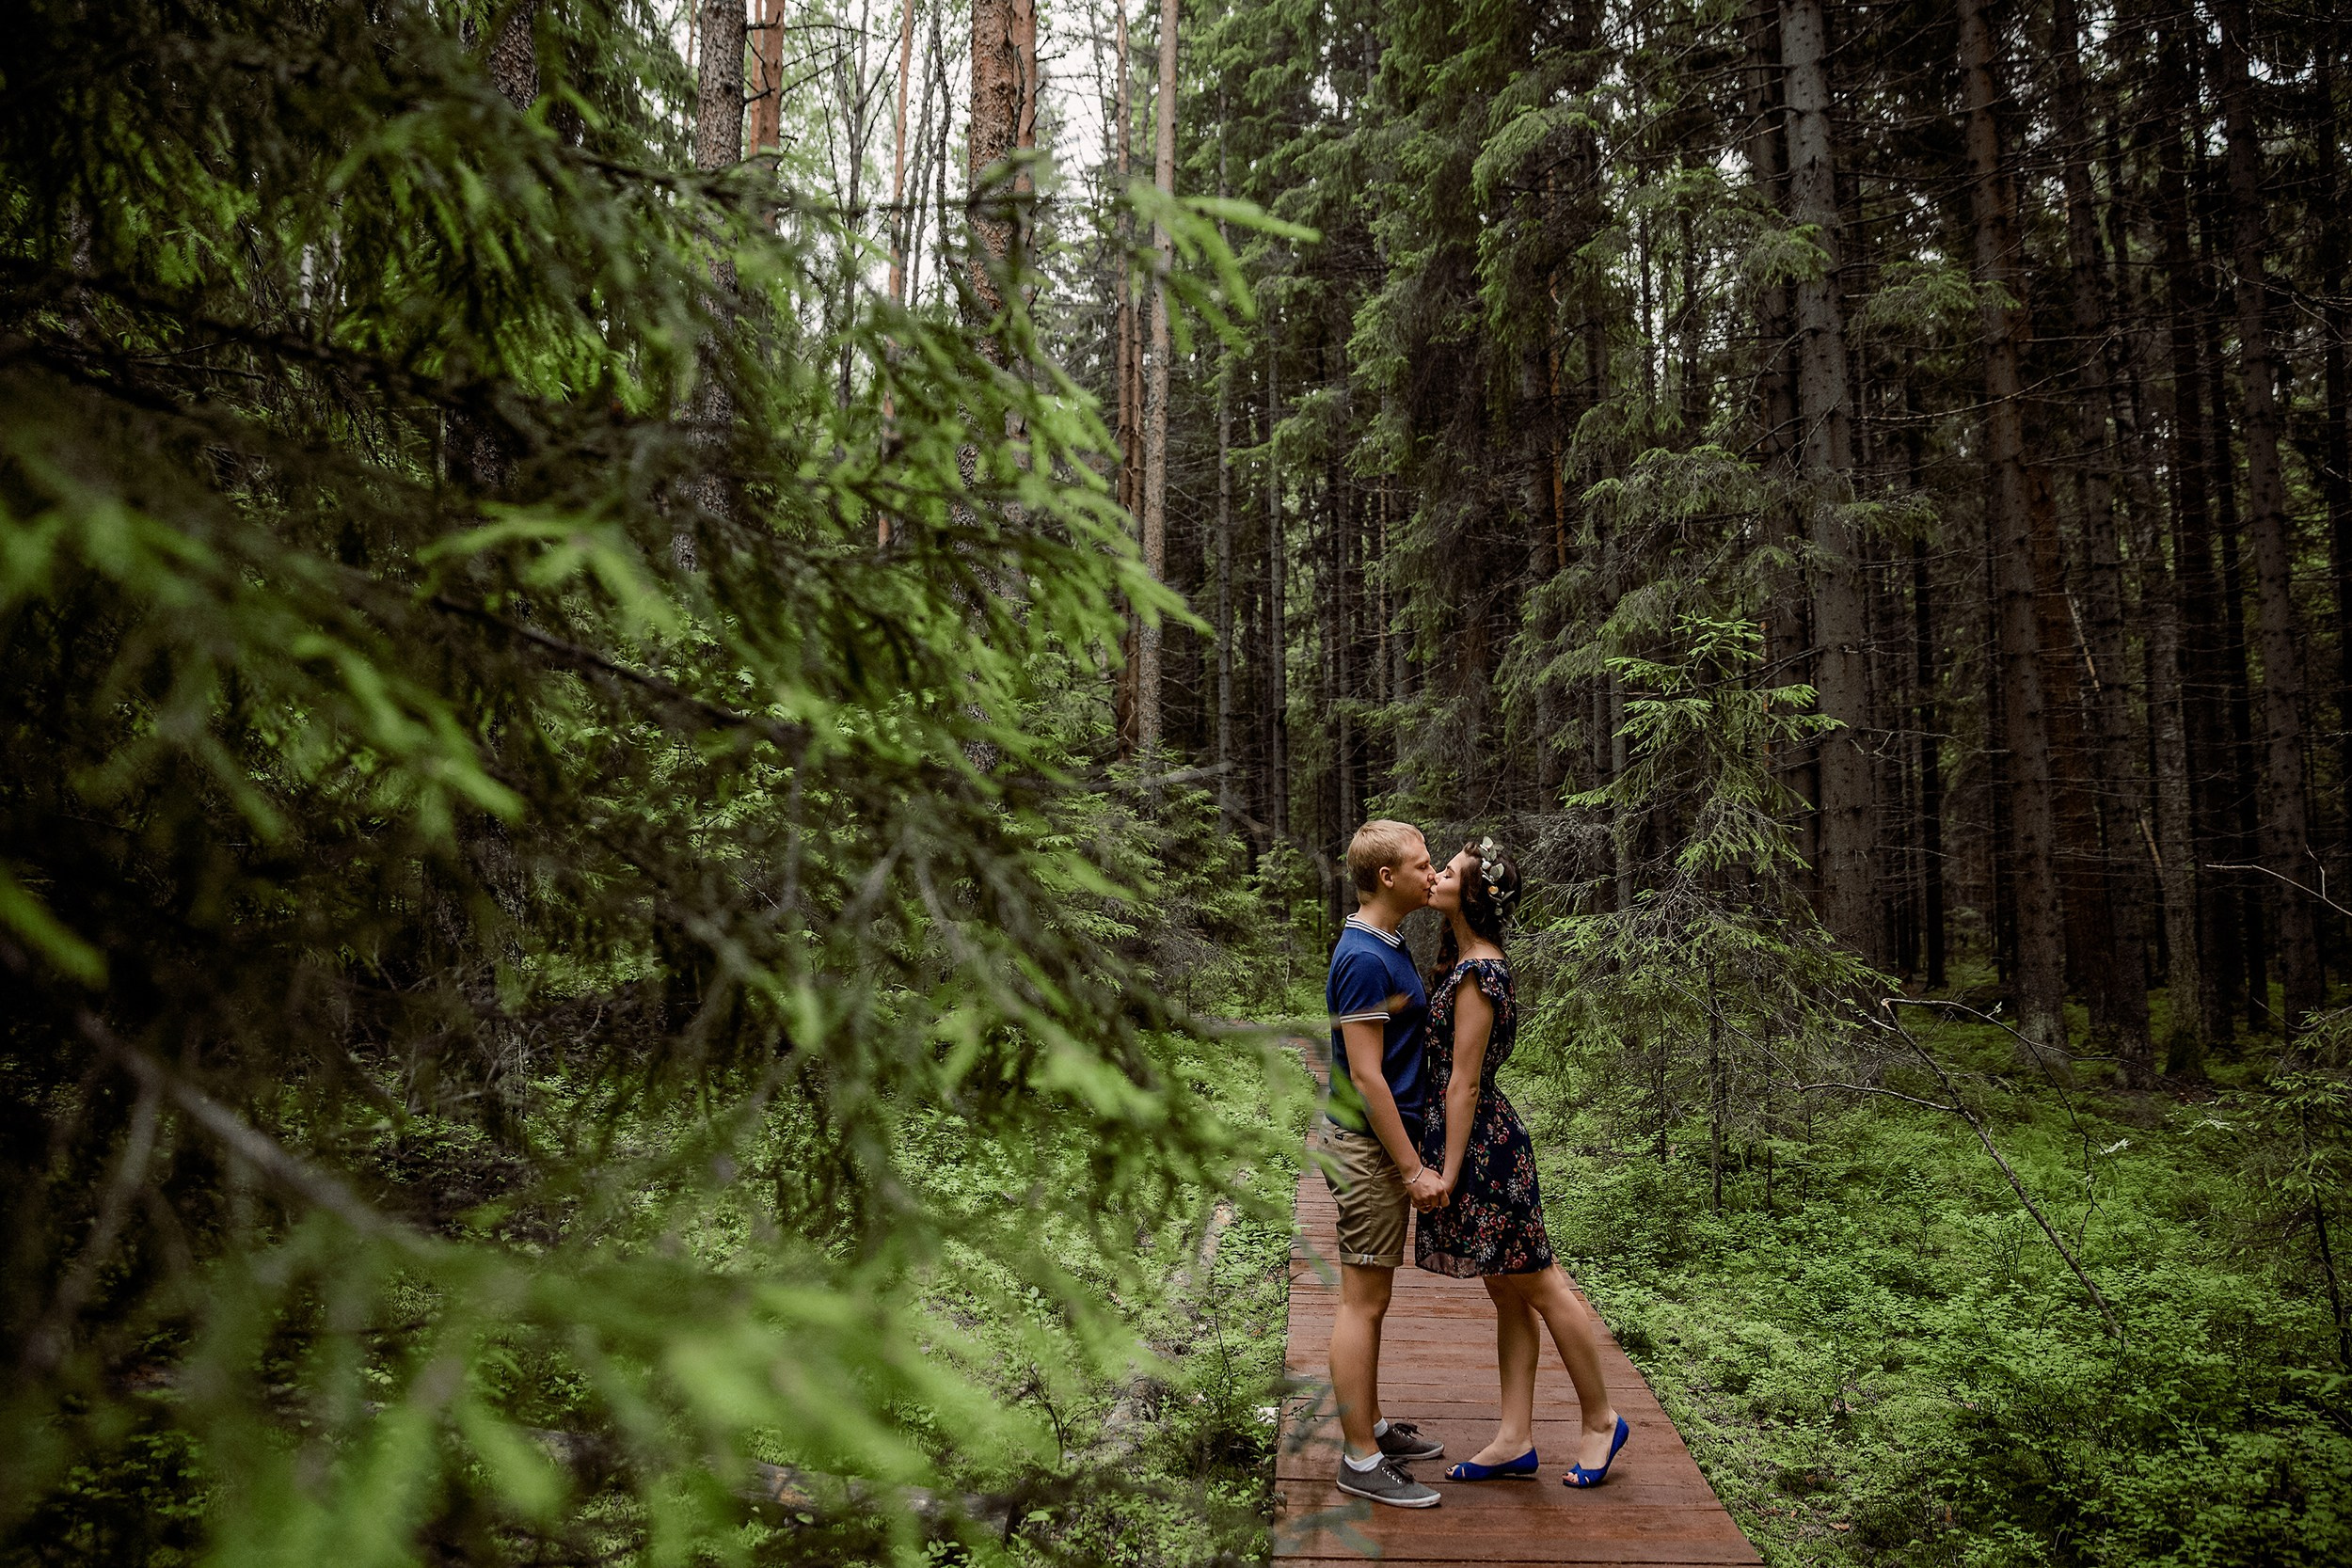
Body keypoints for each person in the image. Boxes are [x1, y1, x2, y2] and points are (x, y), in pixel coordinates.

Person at [1416, 836, 1630, 1489]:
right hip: (1476, 1141)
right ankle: (1515, 1438)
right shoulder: (1468, 961)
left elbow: (1465, 1083)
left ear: (1473, 892)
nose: (1435, 876)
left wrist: (1448, 1172)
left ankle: (1602, 1420)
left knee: (1539, 1281)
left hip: (1485, 1148)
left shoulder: (1481, 972)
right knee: (1507, 1289)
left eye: (1446, 871)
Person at [1320, 819, 1447, 1508]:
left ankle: (1367, 1423)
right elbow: (1368, 1077)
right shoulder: (1365, 957)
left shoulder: (1385, 943)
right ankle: (1359, 1459)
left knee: (1373, 1299)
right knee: (1362, 1303)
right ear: (1388, 877)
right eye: (1422, 864)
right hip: (1369, 1149)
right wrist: (1409, 1168)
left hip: (1371, 1145)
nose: (1432, 874)